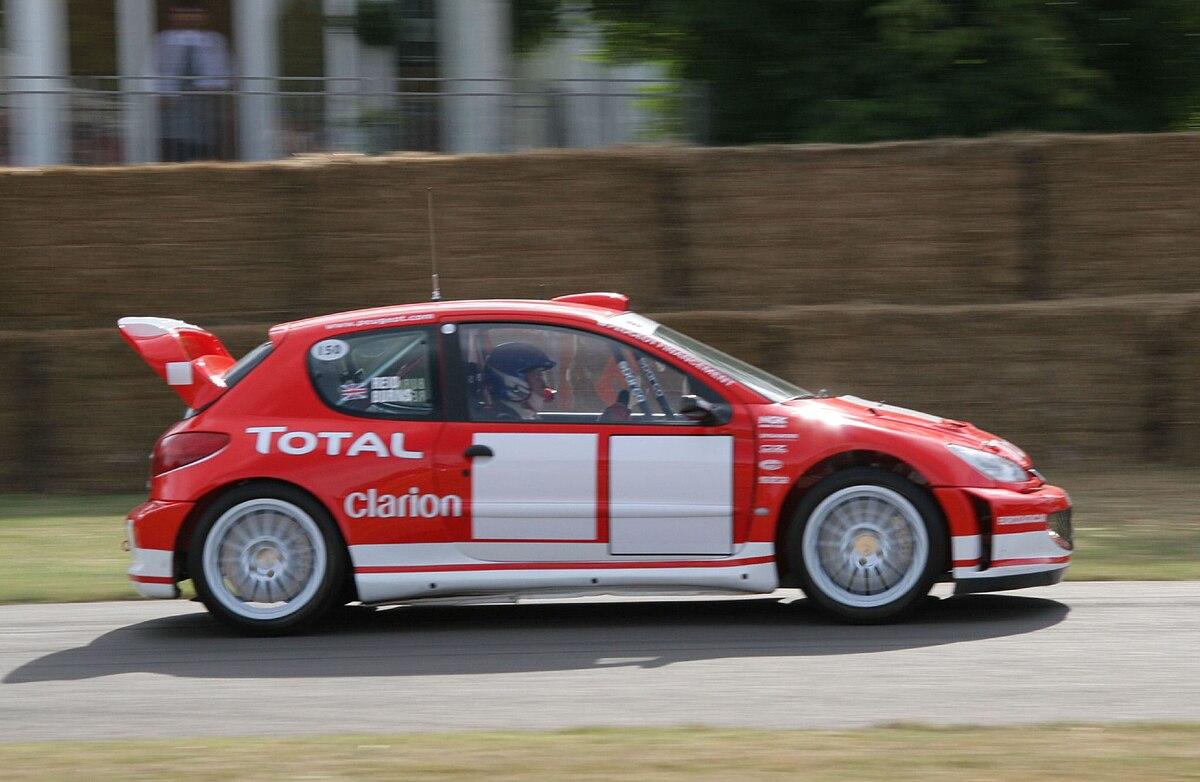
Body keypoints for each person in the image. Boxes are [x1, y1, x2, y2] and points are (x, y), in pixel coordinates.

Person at [155, 3, 232, 161]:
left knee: (201, 153)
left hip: (204, 111)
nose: (188, 17)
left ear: (204, 15)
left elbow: (228, 73)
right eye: (183, 12)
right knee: (174, 152)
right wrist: (159, 96)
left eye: (193, 12)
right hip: (171, 111)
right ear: (173, 15)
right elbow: (151, 71)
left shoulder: (215, 41)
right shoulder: (162, 41)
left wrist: (215, 89)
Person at [479, 342, 557, 421]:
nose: (544, 385)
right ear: (514, 385)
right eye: (537, 377)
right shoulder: (506, 422)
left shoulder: (523, 417)